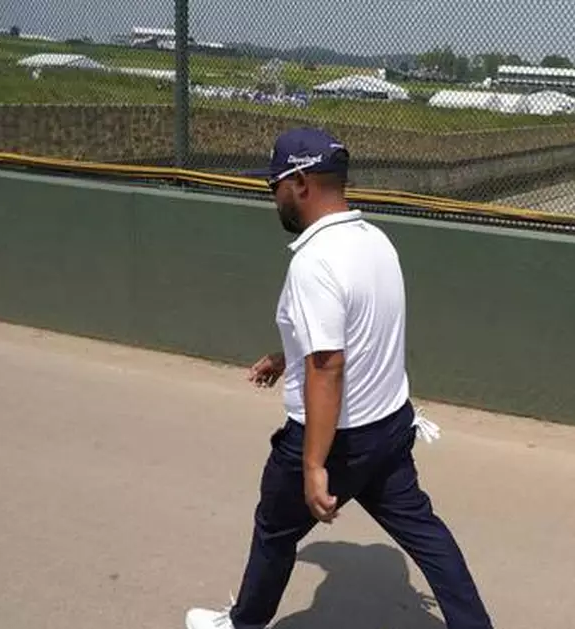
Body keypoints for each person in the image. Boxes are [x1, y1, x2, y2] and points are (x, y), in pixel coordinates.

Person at [185, 127, 493, 629]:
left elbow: (328, 366)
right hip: (390, 428)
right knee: (427, 534)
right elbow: (352, 332)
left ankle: (242, 624)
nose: (274, 196)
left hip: (333, 438)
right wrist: (284, 356)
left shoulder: (315, 261)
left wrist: (312, 465)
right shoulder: (375, 240)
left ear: (300, 182)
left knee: (274, 530)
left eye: (275, 186)